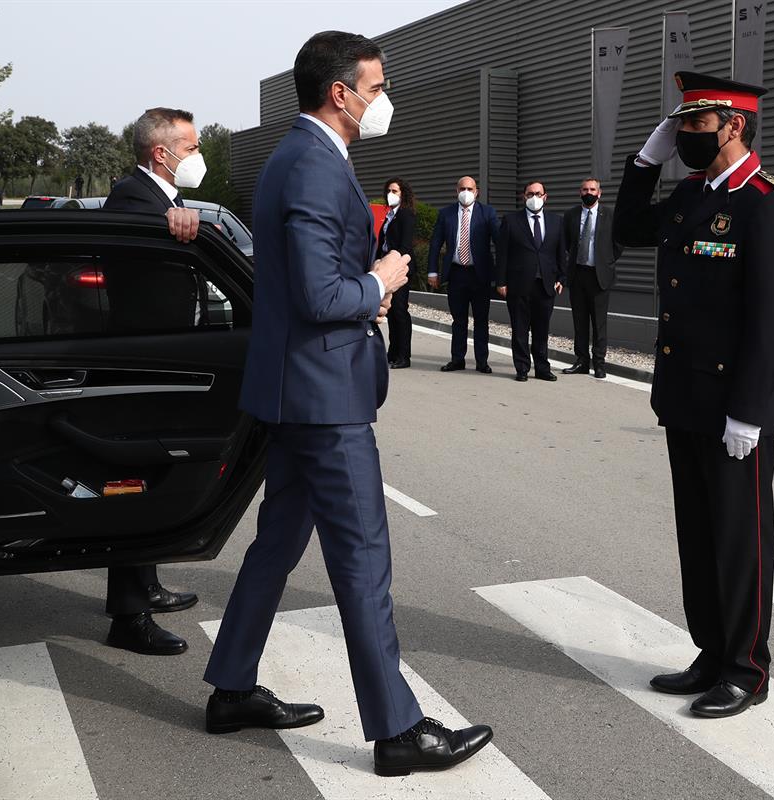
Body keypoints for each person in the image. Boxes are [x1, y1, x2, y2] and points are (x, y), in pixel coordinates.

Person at [202, 31, 493, 776]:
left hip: (298, 390)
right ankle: (398, 731)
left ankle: (232, 685)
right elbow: (319, 294)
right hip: (323, 398)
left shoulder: (300, 159)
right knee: (362, 559)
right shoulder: (310, 166)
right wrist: (384, 280)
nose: (381, 99)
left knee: (275, 547)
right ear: (340, 94)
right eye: (375, 85)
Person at [613, 72, 774, 718]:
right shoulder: (692, 194)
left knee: (738, 541)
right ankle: (711, 651)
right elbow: (630, 226)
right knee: (697, 535)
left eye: (694, 127)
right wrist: (645, 160)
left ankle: (747, 668)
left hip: (733, 409)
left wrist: (749, 408)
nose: (685, 136)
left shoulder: (765, 201)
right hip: (684, 397)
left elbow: (770, 317)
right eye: (680, 126)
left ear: (734, 126)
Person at [99, 107, 206, 657]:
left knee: (154, 479)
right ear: (160, 153)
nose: (198, 155)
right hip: (141, 365)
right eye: (190, 146)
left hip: (162, 360)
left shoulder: (165, 198)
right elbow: (133, 248)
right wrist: (167, 227)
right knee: (134, 486)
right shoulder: (133, 198)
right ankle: (129, 615)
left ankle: (147, 585)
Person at [428, 176, 501, 373]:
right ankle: (457, 359)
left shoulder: (487, 213)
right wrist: (432, 271)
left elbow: (500, 241)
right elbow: (436, 243)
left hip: (480, 275)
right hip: (457, 273)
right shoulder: (446, 214)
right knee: (458, 319)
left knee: (481, 319)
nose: (466, 192)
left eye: (470, 188)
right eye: (462, 188)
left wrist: (502, 274)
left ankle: (481, 361)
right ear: (456, 190)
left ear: (477, 191)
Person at [495, 180, 567, 382]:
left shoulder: (555, 221)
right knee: (519, 328)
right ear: (523, 196)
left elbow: (561, 252)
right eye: (530, 194)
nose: (534, 197)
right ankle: (522, 368)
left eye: (538, 193)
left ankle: (542, 368)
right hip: (518, 284)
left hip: (545, 284)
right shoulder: (511, 220)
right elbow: (502, 254)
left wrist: (562, 277)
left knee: (542, 329)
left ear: (545, 197)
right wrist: (500, 281)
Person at [562, 177, 623, 379]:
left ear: (599, 192)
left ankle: (599, 363)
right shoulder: (571, 214)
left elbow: (619, 242)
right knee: (579, 321)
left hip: (599, 275)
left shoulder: (610, 215)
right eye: (585, 189)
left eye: (592, 189)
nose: (589, 192)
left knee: (599, 323)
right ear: (580, 192)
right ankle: (581, 361)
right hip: (577, 274)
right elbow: (565, 242)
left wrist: (608, 260)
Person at [378, 177, 417, 368]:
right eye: (389, 191)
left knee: (400, 311)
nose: (391, 195)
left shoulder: (406, 215)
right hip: (387, 267)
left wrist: (393, 261)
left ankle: (404, 355)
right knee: (391, 312)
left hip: (401, 267)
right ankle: (392, 352)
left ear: (403, 194)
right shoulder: (389, 215)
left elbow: (405, 244)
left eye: (395, 191)